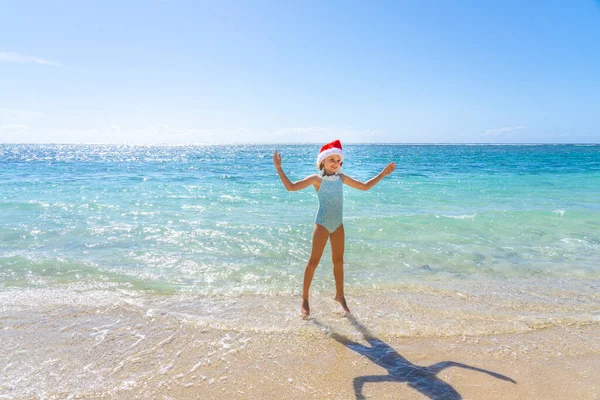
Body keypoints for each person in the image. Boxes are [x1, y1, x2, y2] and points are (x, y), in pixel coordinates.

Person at [273, 140, 396, 317]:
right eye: (332, 159)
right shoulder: (316, 179)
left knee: (338, 262)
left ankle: (340, 295)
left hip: (338, 225)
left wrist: (383, 173)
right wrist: (279, 168)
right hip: (322, 224)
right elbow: (290, 187)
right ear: (322, 161)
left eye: (338, 160)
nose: (335, 163)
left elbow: (365, 187)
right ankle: (305, 298)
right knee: (313, 262)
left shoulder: (341, 178)